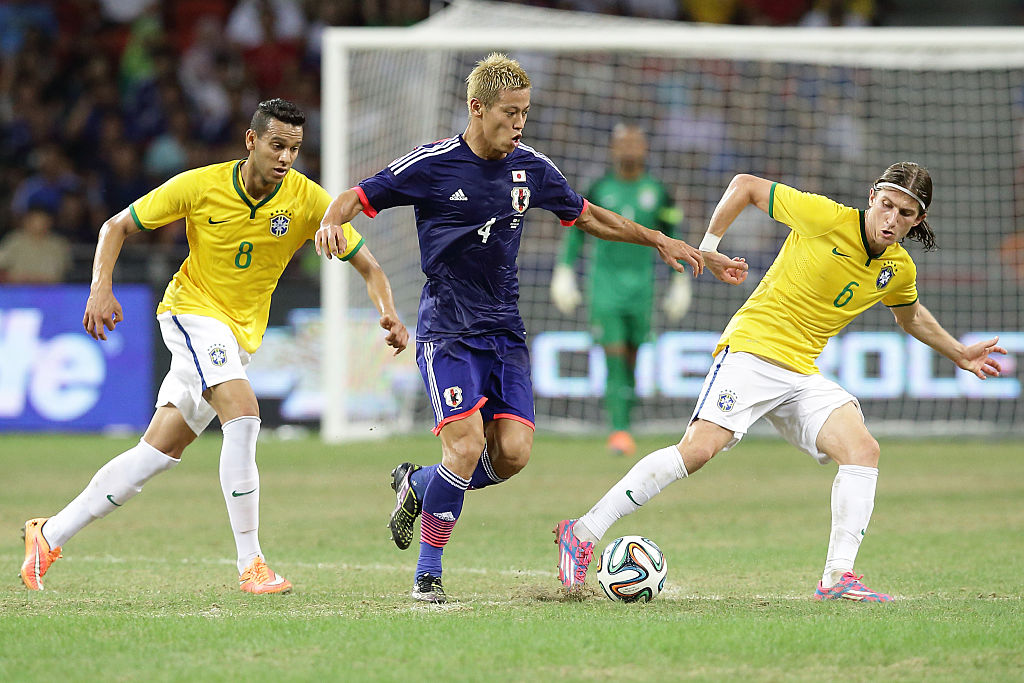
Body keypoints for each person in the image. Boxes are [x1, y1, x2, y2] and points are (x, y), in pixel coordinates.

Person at [315, 53, 747, 603]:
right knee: (467, 446)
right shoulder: (433, 164)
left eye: (525, 113)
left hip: (505, 330)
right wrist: (332, 221)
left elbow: (588, 215)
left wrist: (658, 239)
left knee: (513, 453)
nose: (519, 123)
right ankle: (428, 574)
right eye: (509, 113)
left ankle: (419, 485)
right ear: (477, 108)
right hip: (448, 327)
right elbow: (358, 196)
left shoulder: (532, 168)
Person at [555, 161, 1006, 601]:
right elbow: (746, 185)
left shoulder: (899, 268)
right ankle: (583, 531)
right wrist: (709, 247)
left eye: (904, 213)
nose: (891, 219)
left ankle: (837, 578)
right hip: (752, 351)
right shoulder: (826, 217)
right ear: (872, 197)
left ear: (918, 219)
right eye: (886, 204)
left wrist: (960, 353)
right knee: (696, 451)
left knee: (863, 450)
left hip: (801, 373)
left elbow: (911, 316)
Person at [20, 98, 409, 594]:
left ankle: (48, 535)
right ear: (251, 141)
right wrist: (100, 288)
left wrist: (389, 313)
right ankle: (252, 563)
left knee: (156, 453)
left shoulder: (308, 200)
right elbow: (114, 226)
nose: (286, 157)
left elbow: (370, 266)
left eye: (294, 148)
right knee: (244, 415)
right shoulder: (200, 185)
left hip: (238, 336)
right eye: (276, 145)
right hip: (192, 313)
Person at [551, 123, 691, 456]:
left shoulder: (659, 192)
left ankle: (624, 420)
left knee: (632, 356)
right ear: (613, 150)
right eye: (622, 144)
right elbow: (576, 230)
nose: (629, 149)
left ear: (644, 148)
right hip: (605, 286)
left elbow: (673, 233)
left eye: (635, 143)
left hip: (642, 287)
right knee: (613, 354)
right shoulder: (598, 189)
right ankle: (619, 430)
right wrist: (565, 270)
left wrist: (680, 281)